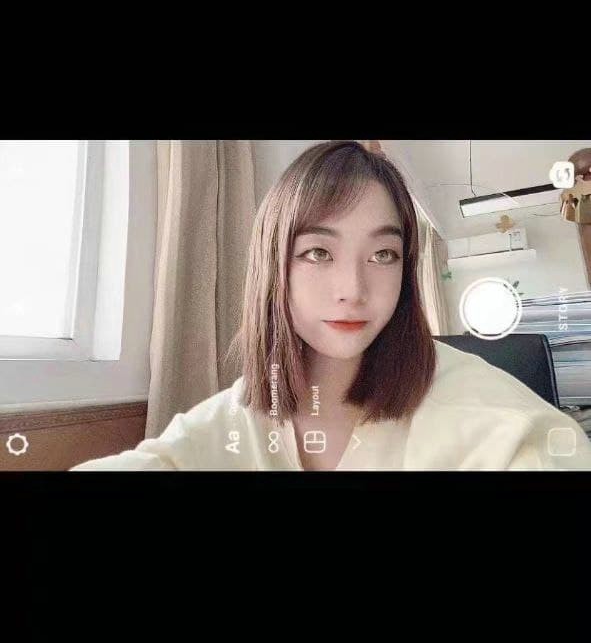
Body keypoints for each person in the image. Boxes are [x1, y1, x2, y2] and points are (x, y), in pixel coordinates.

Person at [71, 141, 591, 472]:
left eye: (383, 255)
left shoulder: (488, 414)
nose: (352, 289)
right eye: (318, 252)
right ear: (274, 266)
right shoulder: (239, 412)